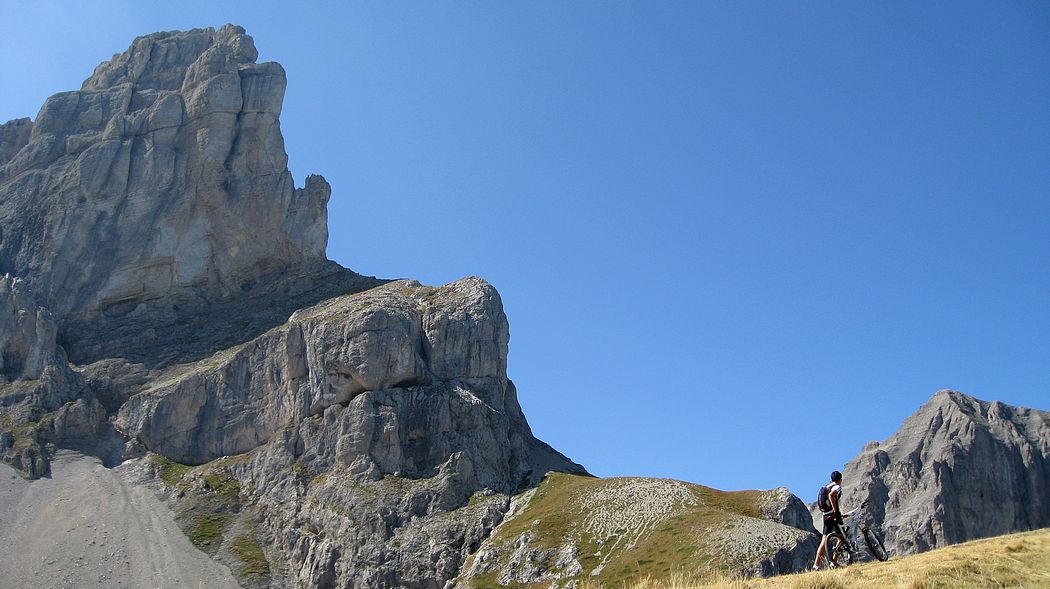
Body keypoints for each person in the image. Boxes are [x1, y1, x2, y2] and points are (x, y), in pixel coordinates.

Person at [813, 470, 845, 570]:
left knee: (824, 540)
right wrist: (836, 511)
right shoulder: (837, 487)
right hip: (832, 514)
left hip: (825, 515)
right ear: (840, 479)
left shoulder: (827, 486)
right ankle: (834, 563)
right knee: (842, 538)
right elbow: (831, 495)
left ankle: (816, 565)